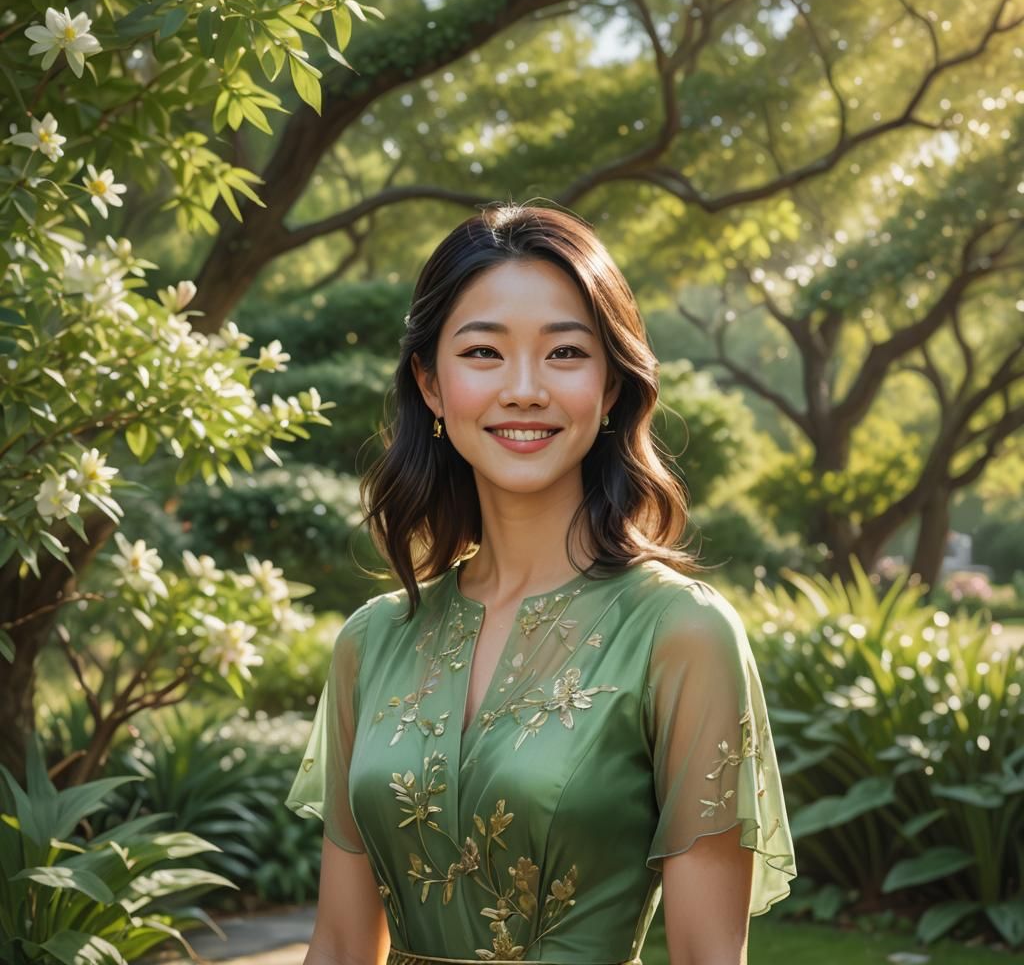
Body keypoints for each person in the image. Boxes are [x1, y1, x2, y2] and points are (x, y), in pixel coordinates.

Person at [286, 202, 797, 965]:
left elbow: (707, 957)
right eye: (483, 353)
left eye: (564, 354)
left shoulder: (679, 633)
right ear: (430, 384)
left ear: (613, 385)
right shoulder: (372, 641)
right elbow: (337, 945)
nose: (524, 390)